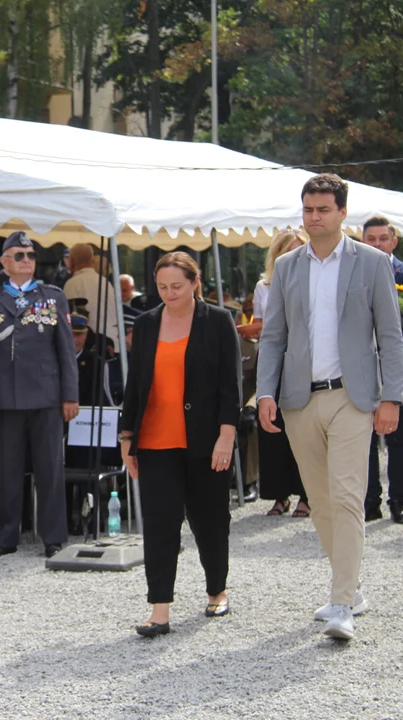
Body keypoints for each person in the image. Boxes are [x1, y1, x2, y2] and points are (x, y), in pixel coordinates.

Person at [257, 174, 403, 642]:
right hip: (299, 398)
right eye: (308, 209)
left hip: (352, 396)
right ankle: (351, 586)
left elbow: (390, 335)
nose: (314, 217)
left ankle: (342, 603)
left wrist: (392, 396)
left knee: (346, 496)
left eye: (322, 209)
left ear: (343, 212)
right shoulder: (286, 267)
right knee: (319, 502)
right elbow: (274, 336)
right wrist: (264, 392)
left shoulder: (374, 263)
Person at [118, 253, 240, 637]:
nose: (169, 294)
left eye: (177, 286)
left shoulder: (218, 321)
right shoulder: (146, 322)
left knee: (210, 521)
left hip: (205, 440)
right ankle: (159, 611)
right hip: (154, 440)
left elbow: (230, 384)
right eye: (162, 287)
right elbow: (135, 384)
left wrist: (226, 435)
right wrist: (126, 437)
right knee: (159, 526)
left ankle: (216, 590)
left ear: (195, 282)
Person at [0, 231, 79, 559]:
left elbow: (66, 350)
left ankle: (53, 537)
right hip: (5, 395)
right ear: (4, 261)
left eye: (31, 255)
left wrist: (69, 396)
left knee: (50, 469)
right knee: (6, 470)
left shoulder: (52, 296)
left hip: (46, 394)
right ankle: (5, 537)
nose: (27, 260)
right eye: (19, 255)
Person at [361, 217, 403, 524]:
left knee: (398, 437)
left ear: (393, 242)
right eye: (370, 239)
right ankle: (369, 501)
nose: (376, 244)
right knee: (366, 439)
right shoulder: (354, 273)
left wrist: (392, 345)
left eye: (382, 238)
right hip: (362, 365)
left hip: (397, 363)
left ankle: (398, 500)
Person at [252, 230, 311, 518]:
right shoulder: (264, 286)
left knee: (303, 427)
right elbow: (261, 325)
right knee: (272, 427)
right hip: (273, 358)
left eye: (298, 250)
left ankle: (307, 494)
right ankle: (279, 494)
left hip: (303, 360)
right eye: (286, 251)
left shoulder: (314, 282)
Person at [64, 243, 120, 347]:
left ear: (71, 261)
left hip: (93, 348)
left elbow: (70, 320)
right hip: (115, 344)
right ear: (93, 261)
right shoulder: (106, 283)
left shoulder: (73, 283)